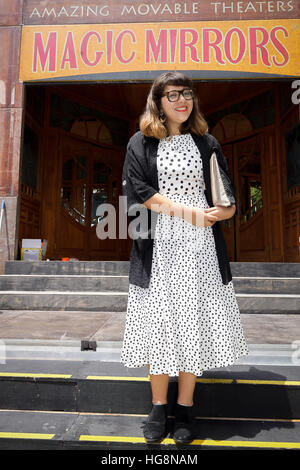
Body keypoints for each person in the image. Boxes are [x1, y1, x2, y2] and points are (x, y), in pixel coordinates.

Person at [120, 71, 249, 445]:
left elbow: (226, 194)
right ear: (158, 101)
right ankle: (159, 406)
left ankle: (186, 406)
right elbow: (140, 192)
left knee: (192, 318)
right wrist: (186, 212)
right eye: (173, 94)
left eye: (187, 94)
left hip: (200, 246)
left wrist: (222, 213)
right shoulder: (141, 142)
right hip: (159, 242)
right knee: (160, 321)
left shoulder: (206, 142)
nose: (182, 100)